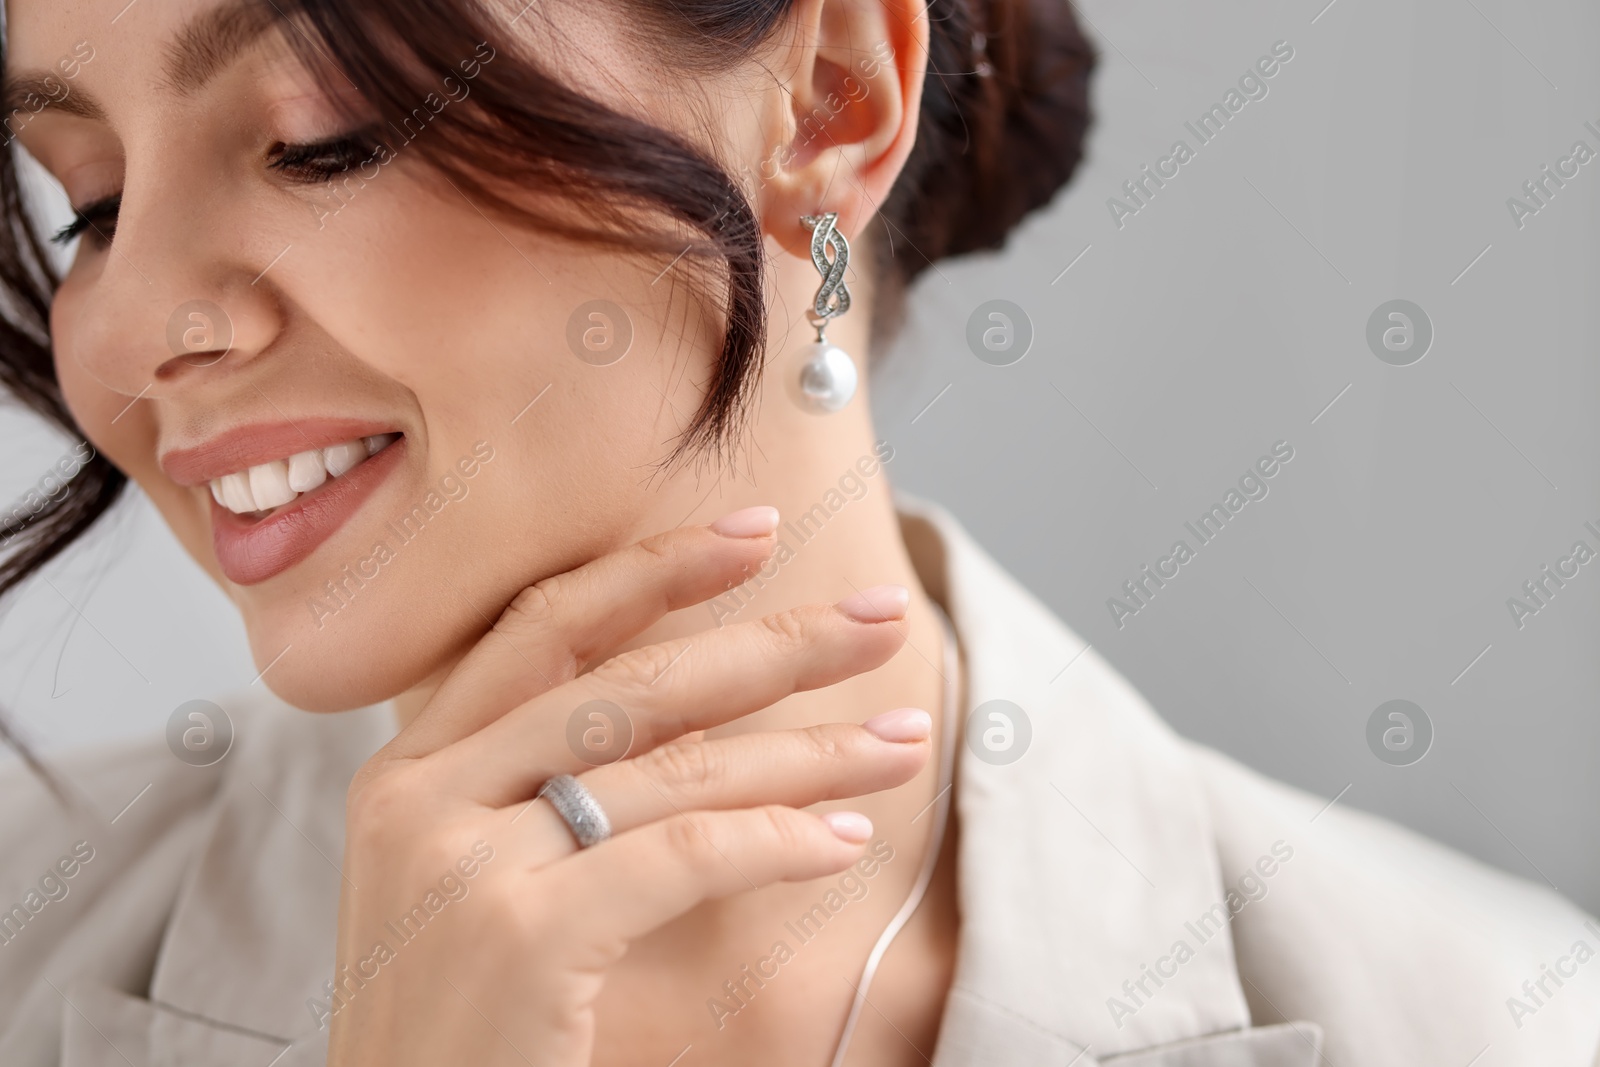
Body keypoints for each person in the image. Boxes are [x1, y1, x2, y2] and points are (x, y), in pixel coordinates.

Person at [0, 0, 1595, 1065]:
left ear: (830, 100)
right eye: (91, 202)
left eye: (315, 136)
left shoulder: (1499, 1019)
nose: (130, 319)